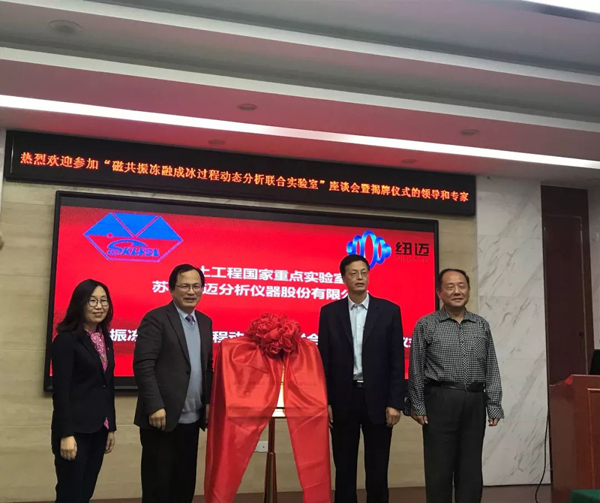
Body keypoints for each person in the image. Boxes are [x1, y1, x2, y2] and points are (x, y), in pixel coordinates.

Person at [406, 268, 504, 503]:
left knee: (470, 468)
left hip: (474, 400)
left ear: (468, 290)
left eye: (462, 286)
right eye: (450, 287)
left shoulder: (481, 325)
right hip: (440, 399)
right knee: (439, 468)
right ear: (439, 292)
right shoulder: (426, 324)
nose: (457, 291)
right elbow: (416, 368)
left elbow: (491, 365)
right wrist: (417, 405)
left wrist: (494, 404)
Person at [318, 254, 405, 503]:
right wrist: (326, 401)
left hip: (378, 399)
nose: (360, 277)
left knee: (378, 466)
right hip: (343, 399)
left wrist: (395, 402)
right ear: (343, 278)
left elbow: (396, 360)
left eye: (364, 272)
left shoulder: (389, 311)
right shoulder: (330, 312)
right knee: (344, 466)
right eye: (353, 273)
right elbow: (323, 361)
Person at [134, 263, 213, 503]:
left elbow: (207, 367)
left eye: (196, 286)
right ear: (171, 289)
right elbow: (143, 365)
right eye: (185, 286)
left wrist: (208, 403)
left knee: (184, 486)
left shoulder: (205, 322)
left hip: (192, 419)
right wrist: (155, 405)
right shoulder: (156, 319)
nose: (191, 292)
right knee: (158, 488)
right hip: (161, 419)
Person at [51, 279, 117, 503]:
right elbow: (61, 392)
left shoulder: (105, 339)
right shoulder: (66, 341)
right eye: (92, 301)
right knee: (70, 494)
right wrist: (66, 434)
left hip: (99, 429)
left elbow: (107, 385)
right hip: (75, 431)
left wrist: (110, 426)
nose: (99, 306)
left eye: (104, 301)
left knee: (85, 492)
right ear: (80, 304)